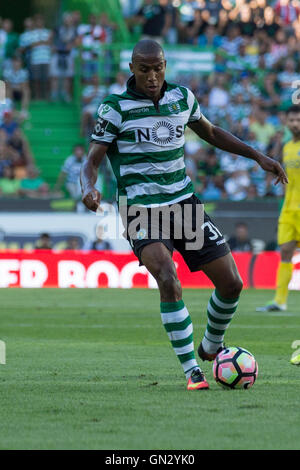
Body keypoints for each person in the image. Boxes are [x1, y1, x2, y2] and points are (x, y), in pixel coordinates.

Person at [81, 40, 287, 391]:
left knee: (232, 283)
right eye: (144, 69)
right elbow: (93, 160)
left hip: (183, 204)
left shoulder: (182, 98)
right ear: (132, 68)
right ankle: (192, 369)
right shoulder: (114, 109)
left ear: (165, 65)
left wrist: (257, 156)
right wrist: (88, 187)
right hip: (141, 209)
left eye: (158, 67)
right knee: (166, 274)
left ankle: (210, 348)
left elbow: (211, 133)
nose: (152, 75)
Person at [257, 105, 300, 312]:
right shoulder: (287, 147)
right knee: (285, 251)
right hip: (289, 208)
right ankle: (279, 301)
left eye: (298, 120)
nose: (294, 124)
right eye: (291, 120)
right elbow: (279, 172)